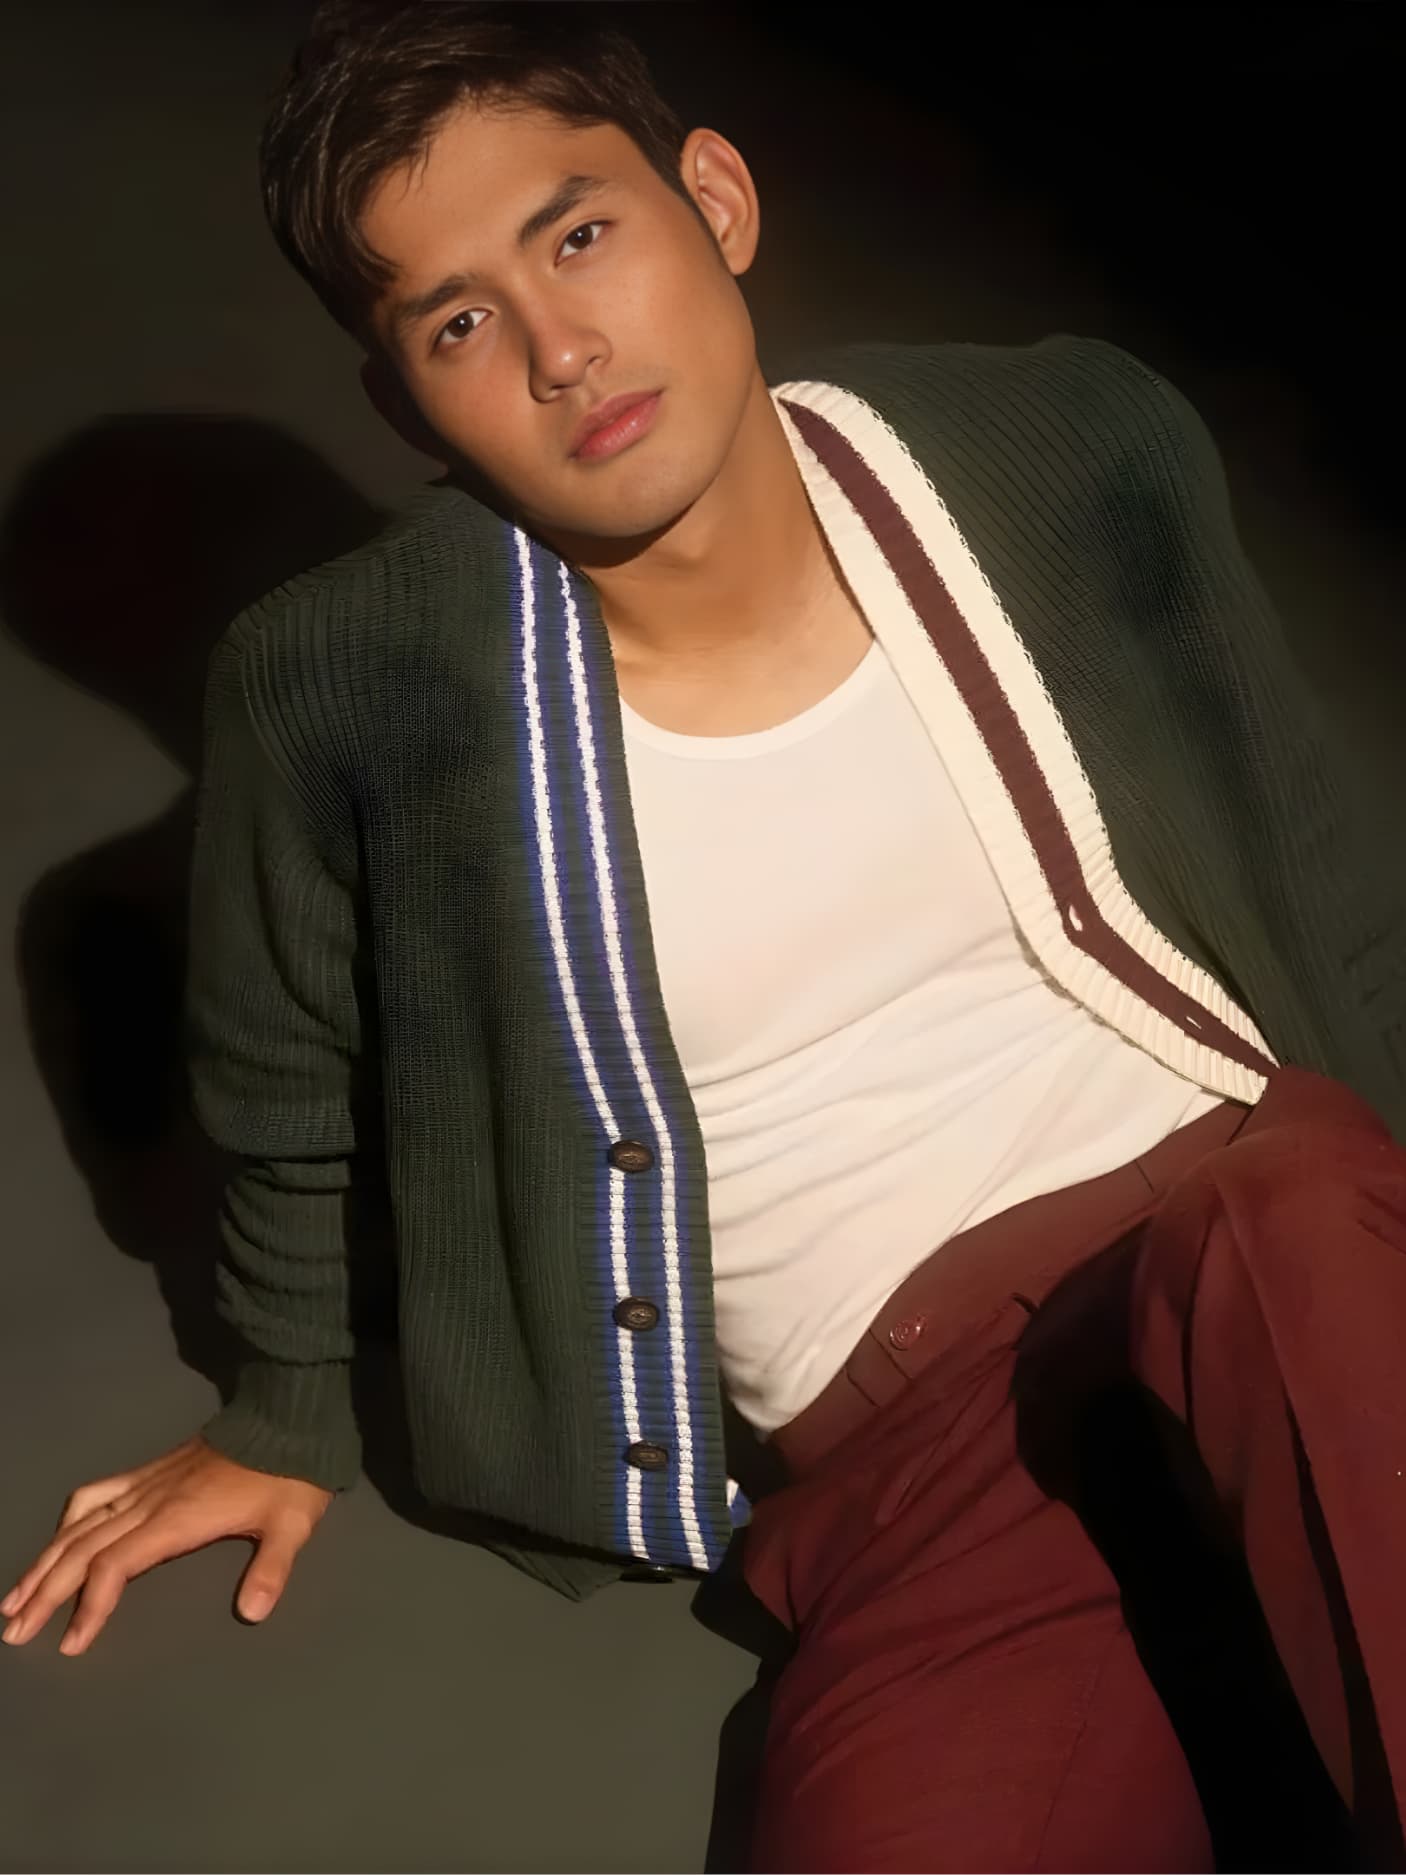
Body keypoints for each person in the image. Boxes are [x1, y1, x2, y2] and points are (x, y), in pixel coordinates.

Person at [5, 2, 1405, 1867]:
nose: (561, 350)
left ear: (716, 202)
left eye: (580, 234)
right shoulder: (344, 687)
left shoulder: (1063, 442)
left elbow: (1312, 860)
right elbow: (286, 1088)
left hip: (1252, 1228)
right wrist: (283, 1415)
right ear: (403, 400)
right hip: (917, 1447)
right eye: (457, 322)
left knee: (1295, 1228)